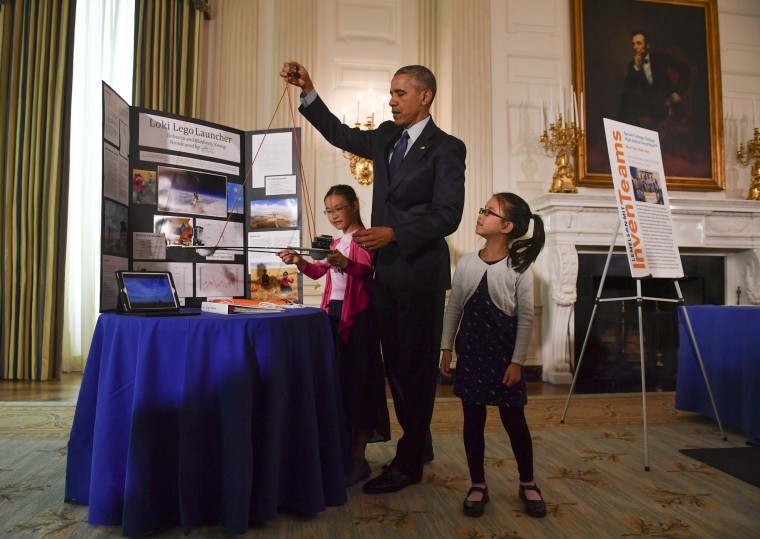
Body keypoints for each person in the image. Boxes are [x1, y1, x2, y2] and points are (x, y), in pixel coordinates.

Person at [281, 61, 466, 494]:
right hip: (387, 276)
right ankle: (418, 443)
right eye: (391, 93)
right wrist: (309, 91)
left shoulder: (447, 148)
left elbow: (449, 215)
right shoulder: (386, 135)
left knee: (413, 370)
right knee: (396, 368)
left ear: (426, 97)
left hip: (420, 274)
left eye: (400, 93)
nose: (391, 100)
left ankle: (409, 462)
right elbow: (341, 134)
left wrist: (395, 233)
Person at [439, 192, 547, 519]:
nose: (481, 214)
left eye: (489, 211)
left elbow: (526, 317)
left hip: (504, 358)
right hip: (470, 352)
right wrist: (446, 347)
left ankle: (527, 481)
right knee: (473, 420)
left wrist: (517, 362)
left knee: (514, 420)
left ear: (507, 226)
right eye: (483, 209)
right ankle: (478, 483)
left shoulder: (520, 267)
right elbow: (454, 307)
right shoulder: (468, 263)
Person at [277, 184, 391, 487]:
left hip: (359, 316)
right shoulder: (336, 241)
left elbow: (366, 274)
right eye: (328, 210)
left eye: (338, 208)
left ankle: (358, 458)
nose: (332, 215)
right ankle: (343, 454)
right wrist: (299, 262)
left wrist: (344, 262)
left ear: (354, 205)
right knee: (339, 384)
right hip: (334, 313)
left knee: (360, 385)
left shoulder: (365, 238)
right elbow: (319, 272)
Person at [619, 29, 691, 130]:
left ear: (648, 45)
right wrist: (637, 67)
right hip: (648, 104)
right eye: (633, 44)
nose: (635, 47)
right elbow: (629, 89)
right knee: (625, 99)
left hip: (666, 102)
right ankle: (626, 135)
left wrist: (678, 91)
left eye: (639, 43)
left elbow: (685, 70)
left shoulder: (661, 57)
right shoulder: (632, 65)